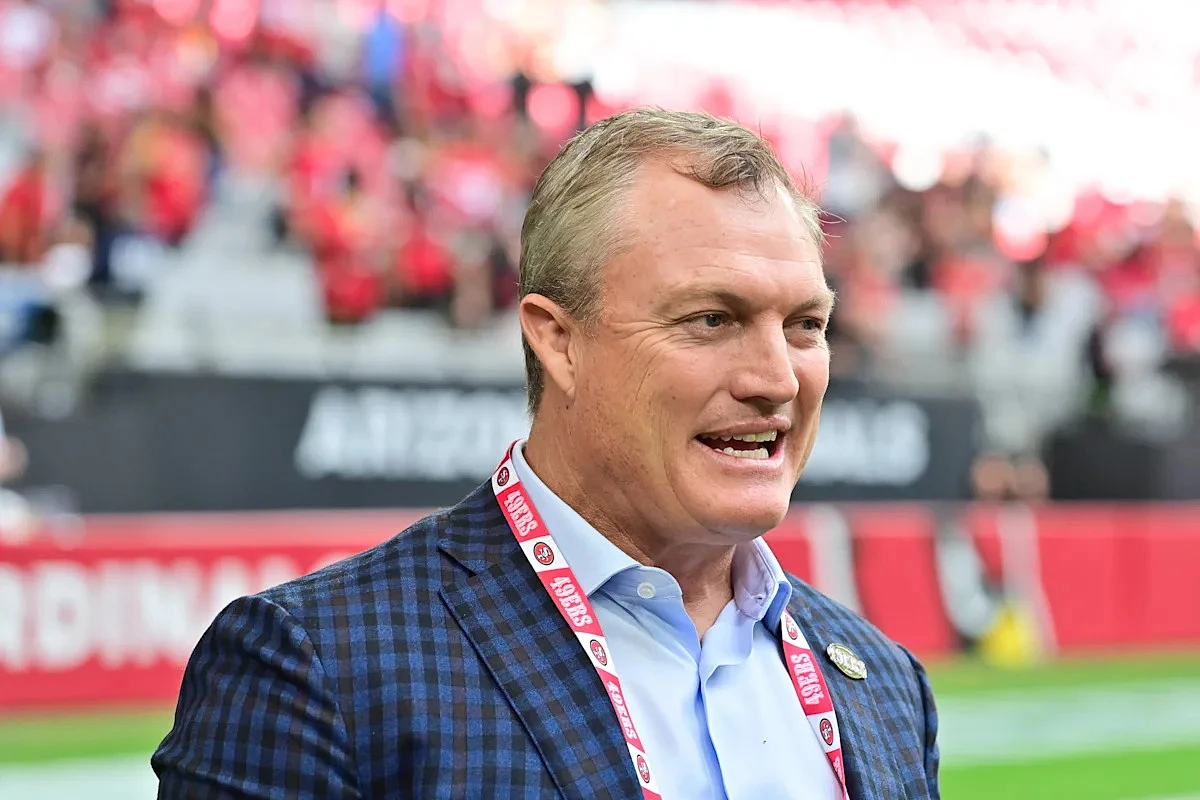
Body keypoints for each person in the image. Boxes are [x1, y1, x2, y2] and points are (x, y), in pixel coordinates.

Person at [153, 109, 940, 799]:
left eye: (805, 325)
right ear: (558, 341)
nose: (777, 379)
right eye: (711, 319)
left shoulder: (885, 685)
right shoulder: (318, 667)